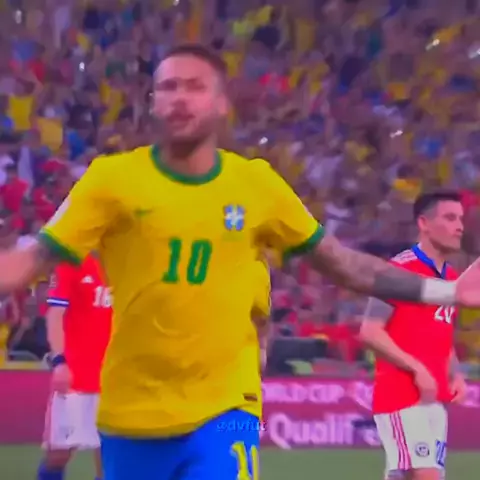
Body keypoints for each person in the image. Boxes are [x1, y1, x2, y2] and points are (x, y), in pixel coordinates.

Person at [0, 44, 479, 480]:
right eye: (168, 87)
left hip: (224, 410)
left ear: (221, 103)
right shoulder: (110, 180)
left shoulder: (257, 185)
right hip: (131, 412)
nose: (180, 98)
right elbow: (32, 260)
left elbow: (343, 263)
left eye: (195, 86)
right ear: (152, 102)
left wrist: (447, 291)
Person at [359, 191, 468, 480]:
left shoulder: (451, 278)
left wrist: (455, 374)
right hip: (402, 396)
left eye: (460, 219)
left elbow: (441, 333)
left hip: (435, 399)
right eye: (450, 218)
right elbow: (370, 331)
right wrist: (417, 369)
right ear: (424, 223)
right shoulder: (398, 271)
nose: (459, 226)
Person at [39, 254, 112, 480]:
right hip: (75, 378)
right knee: (58, 456)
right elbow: (55, 315)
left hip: (115, 379)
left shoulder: (128, 263)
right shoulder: (72, 263)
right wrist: (59, 361)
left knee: (109, 460)